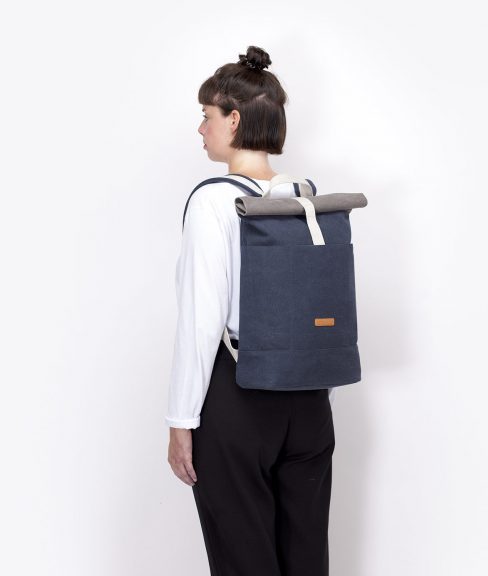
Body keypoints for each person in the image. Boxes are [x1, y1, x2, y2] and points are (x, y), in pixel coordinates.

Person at [166, 45, 336, 576]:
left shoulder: (214, 201)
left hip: (239, 399)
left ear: (234, 120)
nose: (201, 129)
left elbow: (202, 319)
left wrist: (181, 421)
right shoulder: (305, 196)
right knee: (306, 559)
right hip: (310, 401)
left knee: (244, 563)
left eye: (206, 116)